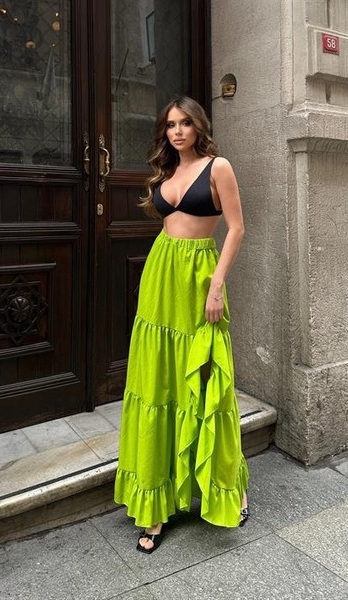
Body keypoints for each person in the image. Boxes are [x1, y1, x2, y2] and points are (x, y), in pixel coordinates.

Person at [114, 95, 249, 554]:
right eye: (171, 124)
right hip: (161, 279)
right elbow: (168, 227)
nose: (177, 131)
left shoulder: (218, 167)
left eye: (185, 123)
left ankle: (229, 488)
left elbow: (236, 228)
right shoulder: (165, 172)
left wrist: (217, 286)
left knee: (207, 382)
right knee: (159, 384)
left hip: (198, 279)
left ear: (198, 127)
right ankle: (155, 504)